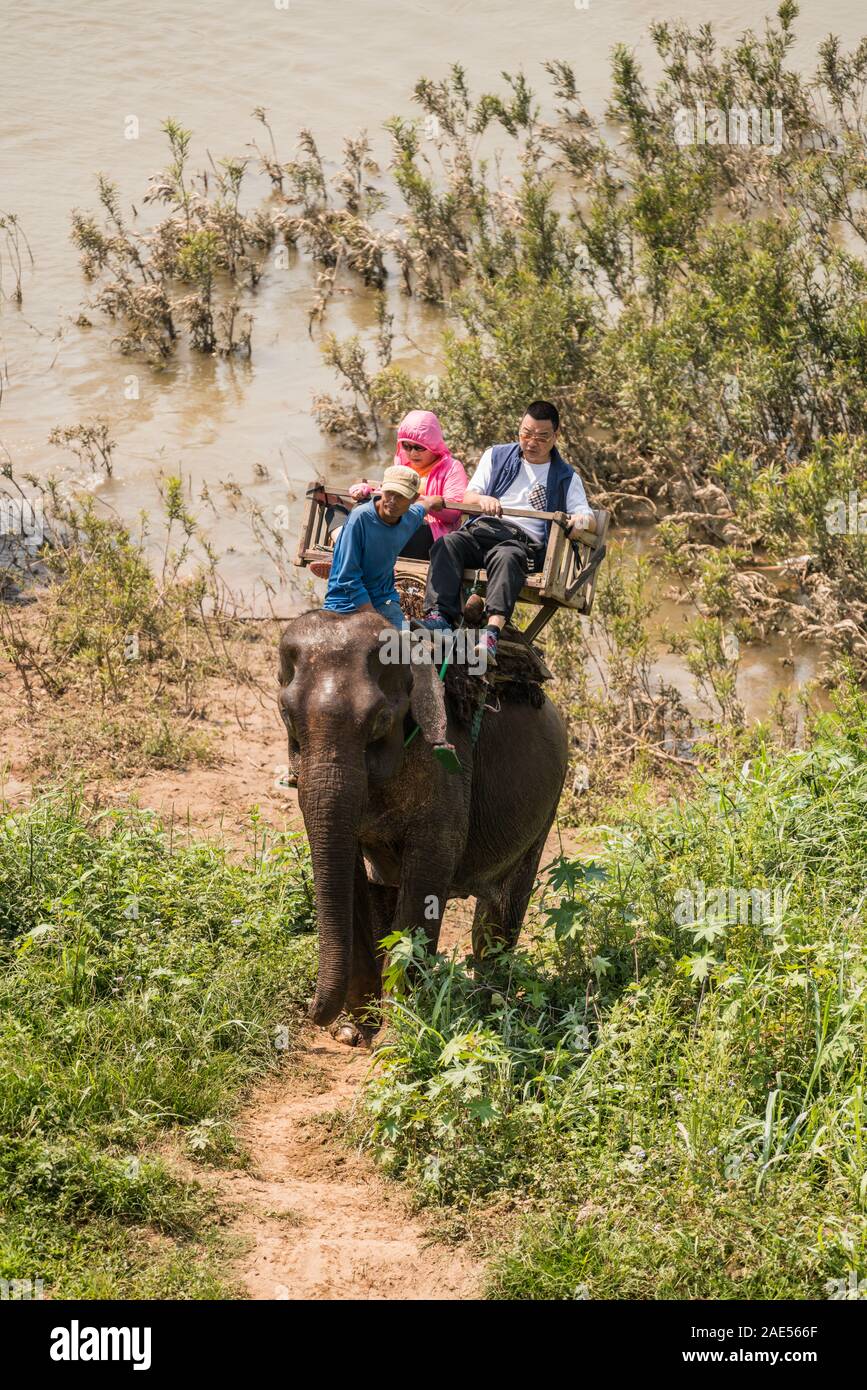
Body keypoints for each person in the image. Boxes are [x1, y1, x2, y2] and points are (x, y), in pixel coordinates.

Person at [420, 401, 596, 666]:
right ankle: (439, 618)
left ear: (556, 436)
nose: (531, 442)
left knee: (506, 557)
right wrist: (482, 501)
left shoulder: (566, 477)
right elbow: (469, 495)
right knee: (448, 543)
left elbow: (587, 517)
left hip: (521, 544)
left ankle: (491, 633)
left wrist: (580, 521)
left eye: (541, 437)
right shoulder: (496, 455)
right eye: (526, 433)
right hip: (484, 530)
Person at [312, 411, 468, 572]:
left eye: (419, 447)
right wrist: (369, 492)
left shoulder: (451, 468)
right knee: (337, 510)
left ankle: (345, 557)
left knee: (390, 515)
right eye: (406, 446)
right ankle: (346, 552)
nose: (412, 453)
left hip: (427, 533)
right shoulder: (401, 466)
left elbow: (454, 513)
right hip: (392, 526)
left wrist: (416, 499)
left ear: (433, 445)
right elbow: (384, 497)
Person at [322, 464, 444, 629]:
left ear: (414, 498)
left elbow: (424, 506)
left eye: (400, 496)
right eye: (389, 493)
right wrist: (373, 618)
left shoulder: (411, 517)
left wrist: (434, 501)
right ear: (382, 490)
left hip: (384, 599)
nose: (392, 501)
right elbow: (348, 578)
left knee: (402, 649)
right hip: (345, 601)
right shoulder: (360, 518)